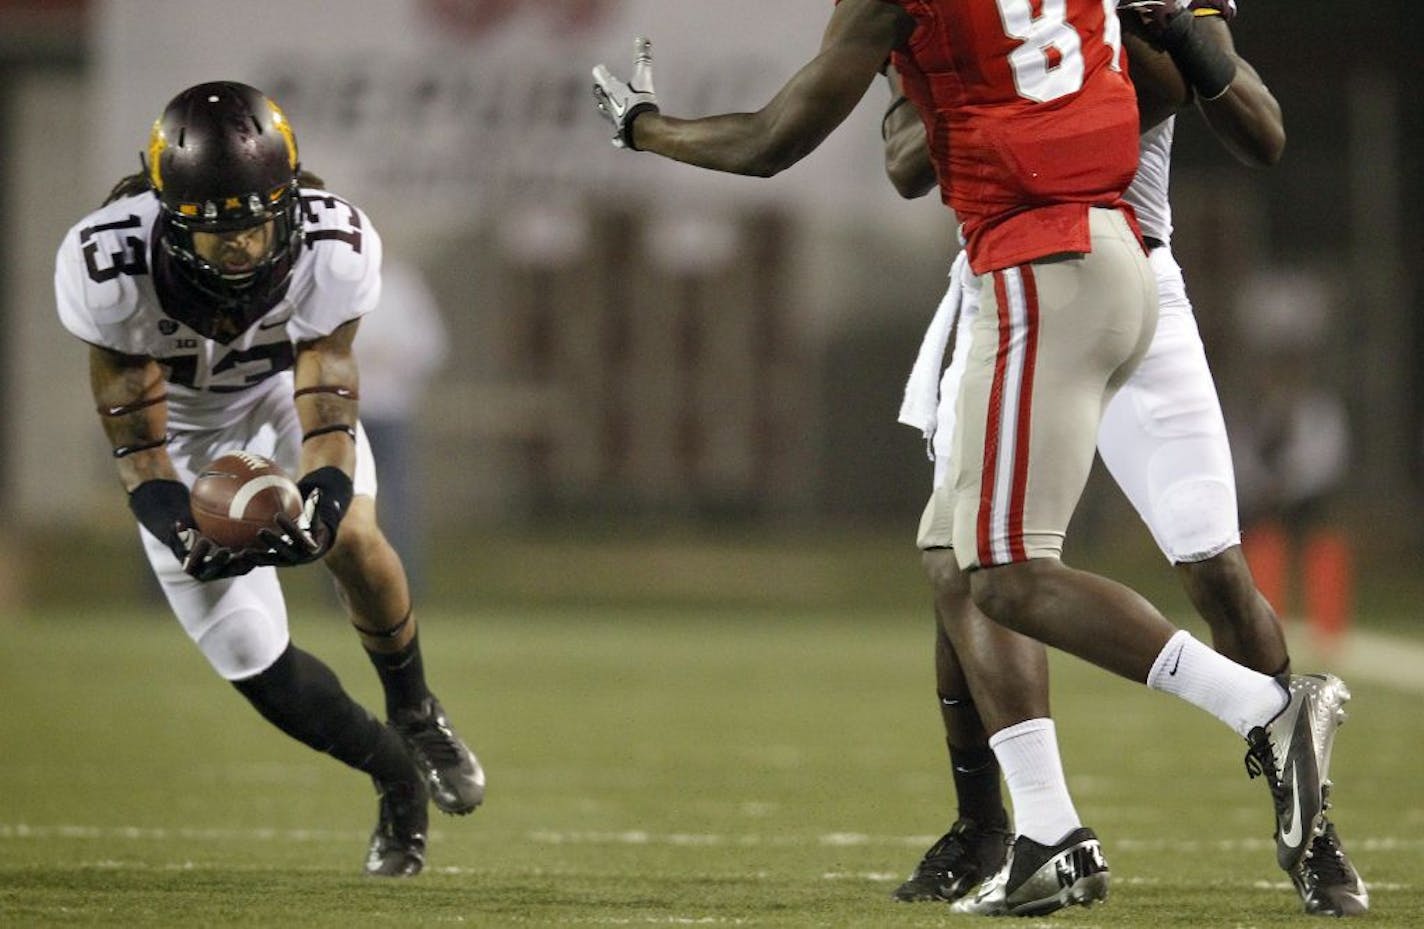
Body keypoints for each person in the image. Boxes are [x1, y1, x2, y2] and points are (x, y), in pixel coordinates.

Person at [590, 0, 1347, 915]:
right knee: (959, 552)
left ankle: (1280, 744)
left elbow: (1240, 122)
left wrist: (645, 129)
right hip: (1027, 265)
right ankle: (1025, 825)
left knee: (1098, 568)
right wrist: (963, 83)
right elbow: (908, 158)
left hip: (1083, 260)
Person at [884, 1, 1366, 916]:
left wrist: (1166, 38)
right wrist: (945, 75)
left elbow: (1257, 129)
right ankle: (1004, 823)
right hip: (1011, 280)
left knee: (1217, 568)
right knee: (960, 557)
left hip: (1130, 271)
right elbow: (906, 163)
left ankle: (1311, 820)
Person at [54, 81, 485, 878]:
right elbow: (141, 450)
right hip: (181, 434)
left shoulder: (335, 246)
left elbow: (326, 393)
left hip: (278, 396)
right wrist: (182, 526)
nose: (245, 246)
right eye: (220, 231)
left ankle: (416, 708)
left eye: (258, 220)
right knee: (252, 653)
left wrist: (321, 501)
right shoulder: (108, 267)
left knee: (352, 532)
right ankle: (394, 775)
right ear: (169, 215)